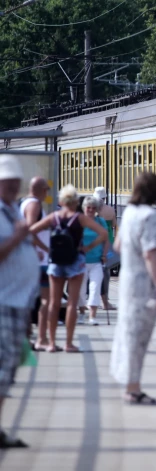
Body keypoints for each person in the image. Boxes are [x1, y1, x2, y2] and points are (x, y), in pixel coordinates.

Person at [110, 172, 156, 405]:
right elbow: (150, 254)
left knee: (128, 334)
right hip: (143, 286)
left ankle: (130, 385)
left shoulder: (129, 213)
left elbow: (117, 245)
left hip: (128, 283)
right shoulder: (148, 216)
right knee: (137, 338)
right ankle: (132, 389)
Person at [29, 185, 107, 353]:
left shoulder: (53, 217)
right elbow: (103, 233)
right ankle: (68, 344)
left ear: (61, 201)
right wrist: (88, 247)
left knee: (53, 303)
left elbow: (31, 231)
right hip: (75, 261)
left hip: (55, 261)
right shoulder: (80, 218)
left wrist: (46, 248)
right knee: (72, 303)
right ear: (75, 202)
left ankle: (50, 343)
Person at [0, 155, 39, 448]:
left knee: (10, 368)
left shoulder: (11, 210)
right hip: (3, 302)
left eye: (15, 183)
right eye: (8, 183)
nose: (13, 187)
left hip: (17, 302)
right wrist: (16, 239)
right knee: (2, 368)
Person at [19, 177, 51, 351]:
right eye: (46, 189)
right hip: (39, 261)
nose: (47, 193)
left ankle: (26, 337)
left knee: (27, 300)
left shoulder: (24, 203)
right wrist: (43, 248)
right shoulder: (34, 205)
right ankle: (42, 338)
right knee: (47, 301)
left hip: (31, 260)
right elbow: (30, 229)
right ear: (41, 189)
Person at [77, 196, 108, 326]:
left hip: (96, 261)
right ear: (84, 208)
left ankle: (92, 316)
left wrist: (105, 255)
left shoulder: (100, 222)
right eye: (88, 207)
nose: (90, 210)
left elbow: (106, 240)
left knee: (95, 288)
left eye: (93, 208)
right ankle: (82, 314)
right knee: (80, 290)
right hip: (81, 260)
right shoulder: (78, 221)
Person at [93, 187, 117, 310]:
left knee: (92, 272)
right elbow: (113, 225)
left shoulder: (93, 211)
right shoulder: (111, 210)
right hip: (108, 243)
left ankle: (91, 300)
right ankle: (105, 302)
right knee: (105, 273)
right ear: (105, 198)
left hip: (95, 242)